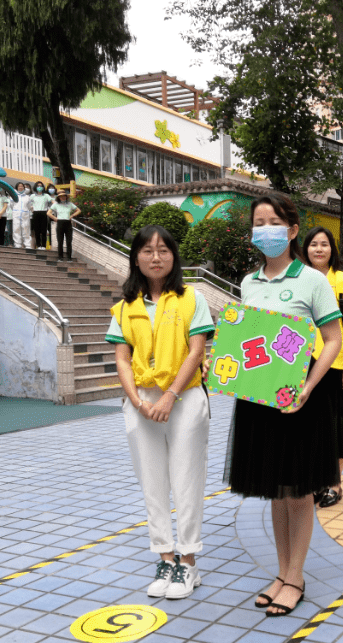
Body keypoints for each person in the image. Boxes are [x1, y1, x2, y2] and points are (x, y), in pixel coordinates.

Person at [227, 192, 343, 616]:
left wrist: (309, 387)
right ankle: (281, 572)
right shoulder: (249, 282)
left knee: (298, 491)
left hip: (298, 399)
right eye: (258, 223)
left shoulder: (312, 279)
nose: (265, 230)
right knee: (276, 490)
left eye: (273, 222)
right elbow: (248, 340)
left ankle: (296, 576)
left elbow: (332, 339)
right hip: (260, 398)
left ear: (292, 230)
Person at [107, 224, 215, 599]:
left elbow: (196, 350)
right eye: (148, 250)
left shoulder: (191, 298)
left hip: (183, 399)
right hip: (141, 403)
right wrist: (137, 401)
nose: (156, 257)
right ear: (135, 257)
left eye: (163, 250)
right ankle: (165, 558)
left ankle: (188, 564)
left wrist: (168, 395)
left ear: (174, 256)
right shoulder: (124, 307)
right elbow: (122, 359)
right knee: (152, 484)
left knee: (187, 481)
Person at [303, 226, 343, 509]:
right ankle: (316, 480)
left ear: (332, 249)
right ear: (306, 249)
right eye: (313, 244)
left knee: (338, 425)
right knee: (311, 427)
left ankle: (335, 482)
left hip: (337, 364)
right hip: (303, 364)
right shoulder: (298, 281)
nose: (319, 249)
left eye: (324, 244)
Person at [48, 190, 80, 260]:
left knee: (69, 241)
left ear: (66, 196)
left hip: (68, 223)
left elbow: (78, 210)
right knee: (60, 241)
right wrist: (55, 218)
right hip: (60, 223)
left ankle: (69, 257)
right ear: (58, 197)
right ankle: (60, 257)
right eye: (61, 196)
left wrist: (72, 216)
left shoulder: (70, 204)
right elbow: (48, 213)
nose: (62, 197)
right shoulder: (56, 204)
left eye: (64, 196)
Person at [30, 181, 52, 250]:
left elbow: (53, 202)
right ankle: (38, 245)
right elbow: (28, 204)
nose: (39, 187)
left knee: (44, 230)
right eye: (38, 186)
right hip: (35, 213)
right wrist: (31, 209)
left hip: (44, 213)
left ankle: (44, 245)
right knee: (37, 230)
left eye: (41, 186)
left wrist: (50, 209)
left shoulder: (46, 195)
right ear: (35, 187)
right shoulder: (32, 196)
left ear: (43, 187)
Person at [11, 182, 32, 249]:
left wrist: (25, 211)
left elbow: (29, 206)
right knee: (16, 229)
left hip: (25, 214)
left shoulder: (27, 197)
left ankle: (28, 245)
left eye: (22, 186)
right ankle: (17, 244)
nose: (20, 187)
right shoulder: (14, 196)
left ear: (24, 188)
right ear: (17, 188)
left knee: (26, 229)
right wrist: (16, 211)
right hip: (16, 215)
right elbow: (11, 205)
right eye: (19, 186)